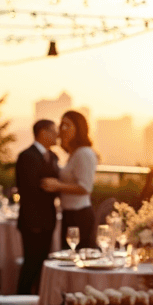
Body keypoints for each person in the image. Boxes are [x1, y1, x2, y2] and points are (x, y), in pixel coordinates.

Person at [41, 109, 98, 250]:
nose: (63, 129)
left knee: (77, 260)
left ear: (79, 129)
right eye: (62, 125)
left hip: (79, 216)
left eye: (68, 125)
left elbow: (86, 188)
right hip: (69, 214)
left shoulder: (84, 153)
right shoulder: (73, 154)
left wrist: (57, 186)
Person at [15, 118, 59, 294]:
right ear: (43, 133)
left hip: (49, 221)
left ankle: (39, 301)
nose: (57, 135)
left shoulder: (54, 156)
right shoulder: (27, 156)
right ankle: (21, 301)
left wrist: (55, 186)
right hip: (32, 221)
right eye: (54, 131)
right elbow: (28, 189)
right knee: (31, 264)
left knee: (43, 264)